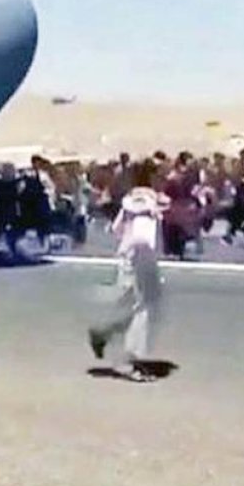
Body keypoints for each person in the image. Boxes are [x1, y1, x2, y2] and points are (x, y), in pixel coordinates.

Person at [88, 163, 165, 383]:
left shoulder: (129, 199)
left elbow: (116, 229)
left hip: (127, 255)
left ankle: (104, 333)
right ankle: (129, 361)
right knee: (143, 309)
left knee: (137, 306)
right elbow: (147, 234)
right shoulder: (154, 199)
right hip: (142, 256)